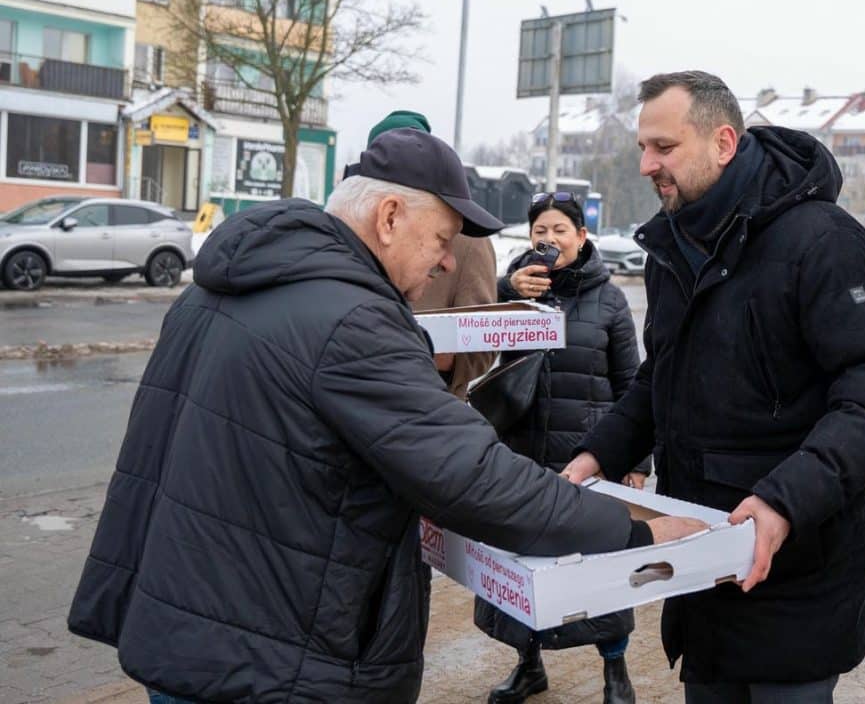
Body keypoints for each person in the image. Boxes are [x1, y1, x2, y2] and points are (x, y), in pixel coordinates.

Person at [66, 128, 708, 704]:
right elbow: (473, 478)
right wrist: (634, 534)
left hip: (188, 630)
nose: (448, 262)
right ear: (390, 216)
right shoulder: (353, 320)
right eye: (442, 239)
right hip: (273, 658)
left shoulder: (216, 288)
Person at [562, 71, 865, 703]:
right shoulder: (673, 244)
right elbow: (659, 375)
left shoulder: (824, 241)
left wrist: (784, 502)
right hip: (703, 562)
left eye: (664, 148)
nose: (646, 164)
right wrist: (600, 452)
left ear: (723, 143)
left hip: (795, 570)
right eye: (643, 147)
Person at [475, 192, 650, 704]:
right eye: (539, 232)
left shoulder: (610, 300)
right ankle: (529, 666)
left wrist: (636, 460)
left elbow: (632, 383)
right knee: (522, 565)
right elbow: (474, 341)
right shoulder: (515, 292)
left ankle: (615, 672)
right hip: (523, 452)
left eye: (558, 231)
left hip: (588, 456)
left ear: (581, 236)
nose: (548, 240)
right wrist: (509, 290)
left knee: (601, 566)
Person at [351, 111, 499, 399]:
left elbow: (484, 343)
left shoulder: (470, 241)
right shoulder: (350, 230)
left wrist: (421, 354)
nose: (447, 261)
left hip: (430, 403)